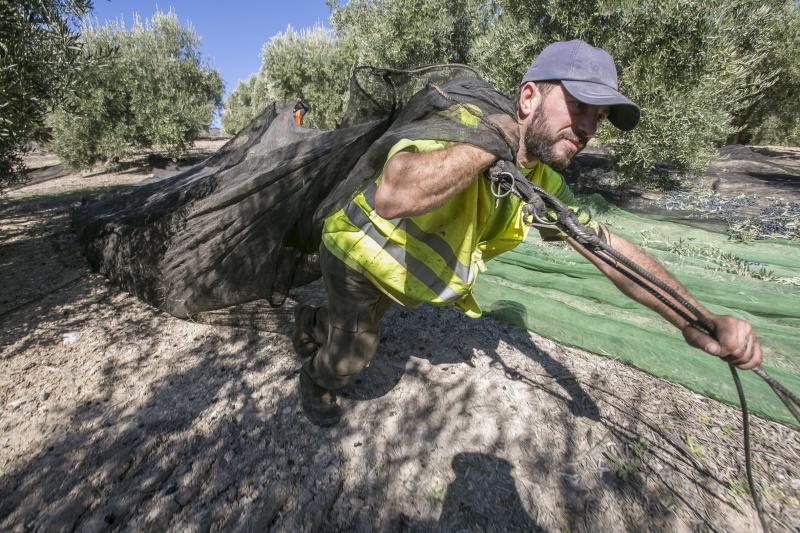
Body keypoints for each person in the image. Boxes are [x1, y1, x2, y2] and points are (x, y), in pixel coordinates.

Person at [292, 39, 762, 425]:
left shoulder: (542, 183)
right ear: (529, 97)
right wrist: (490, 141)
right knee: (354, 352)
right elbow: (395, 195)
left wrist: (695, 320)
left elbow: (607, 249)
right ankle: (316, 381)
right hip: (357, 250)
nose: (587, 128)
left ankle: (311, 324)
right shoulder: (467, 125)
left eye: (597, 119)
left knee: (359, 321)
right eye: (579, 105)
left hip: (402, 271)